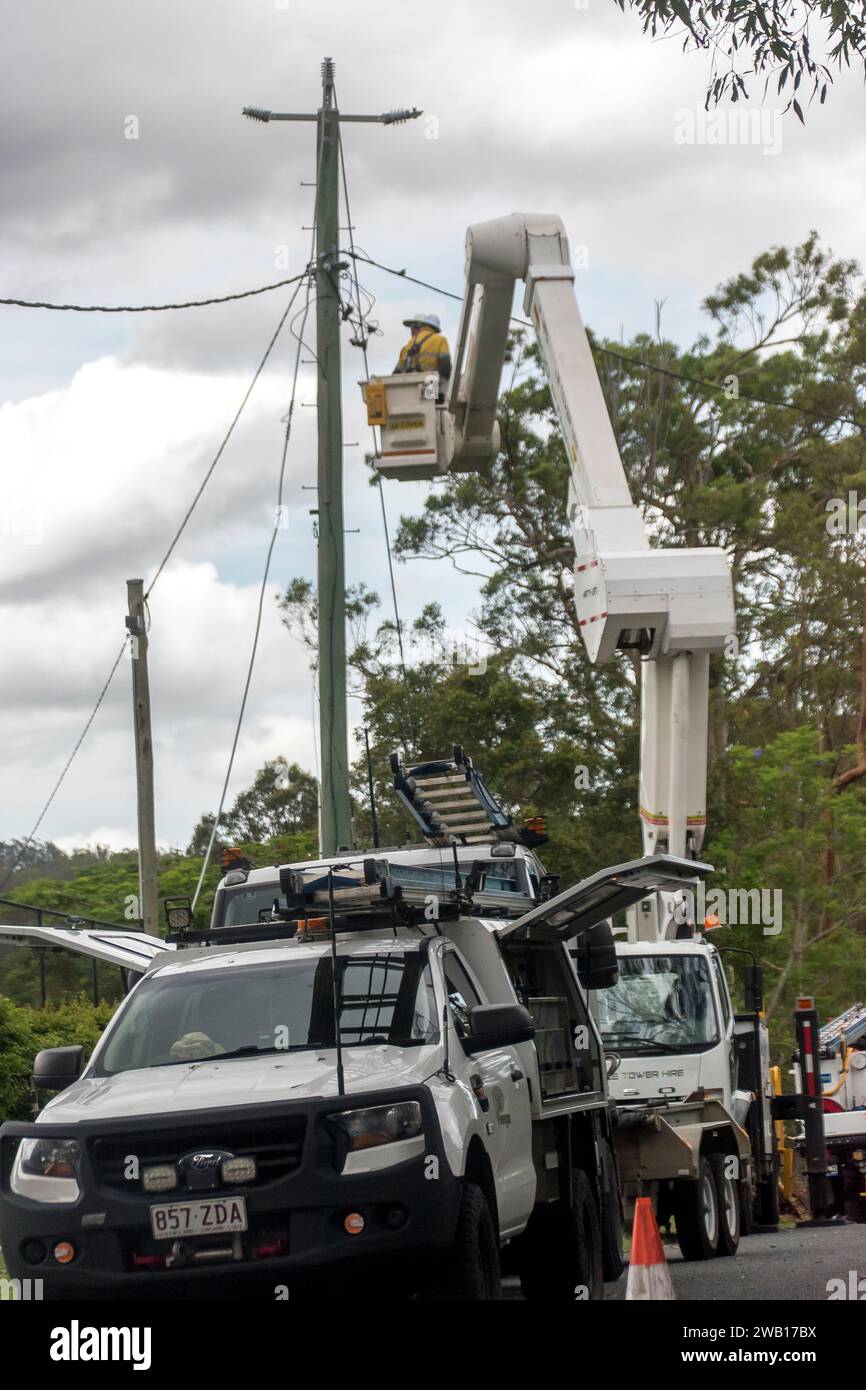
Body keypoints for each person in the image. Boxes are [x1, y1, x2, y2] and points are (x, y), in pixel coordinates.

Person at [393, 313, 451, 394]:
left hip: (409, 388)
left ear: (423, 327)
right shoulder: (440, 340)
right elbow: (446, 365)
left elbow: (396, 373)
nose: (412, 330)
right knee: (430, 405)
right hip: (429, 382)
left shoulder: (408, 345)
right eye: (412, 328)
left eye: (416, 327)